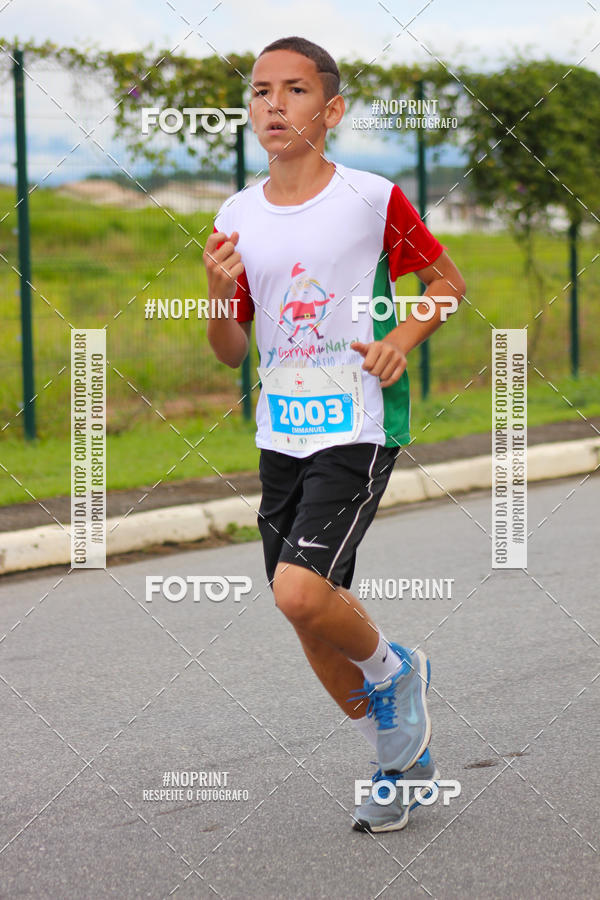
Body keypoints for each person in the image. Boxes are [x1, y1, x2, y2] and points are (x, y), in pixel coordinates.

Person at [203, 36, 465, 833]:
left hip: (358, 422)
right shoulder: (235, 215)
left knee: (298, 590)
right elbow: (230, 350)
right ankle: (400, 766)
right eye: (260, 91)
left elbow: (446, 285)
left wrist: (401, 340)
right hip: (280, 432)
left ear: (333, 109)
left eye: (295, 89)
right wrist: (215, 296)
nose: (274, 104)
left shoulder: (370, 198)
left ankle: (397, 670)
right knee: (310, 613)